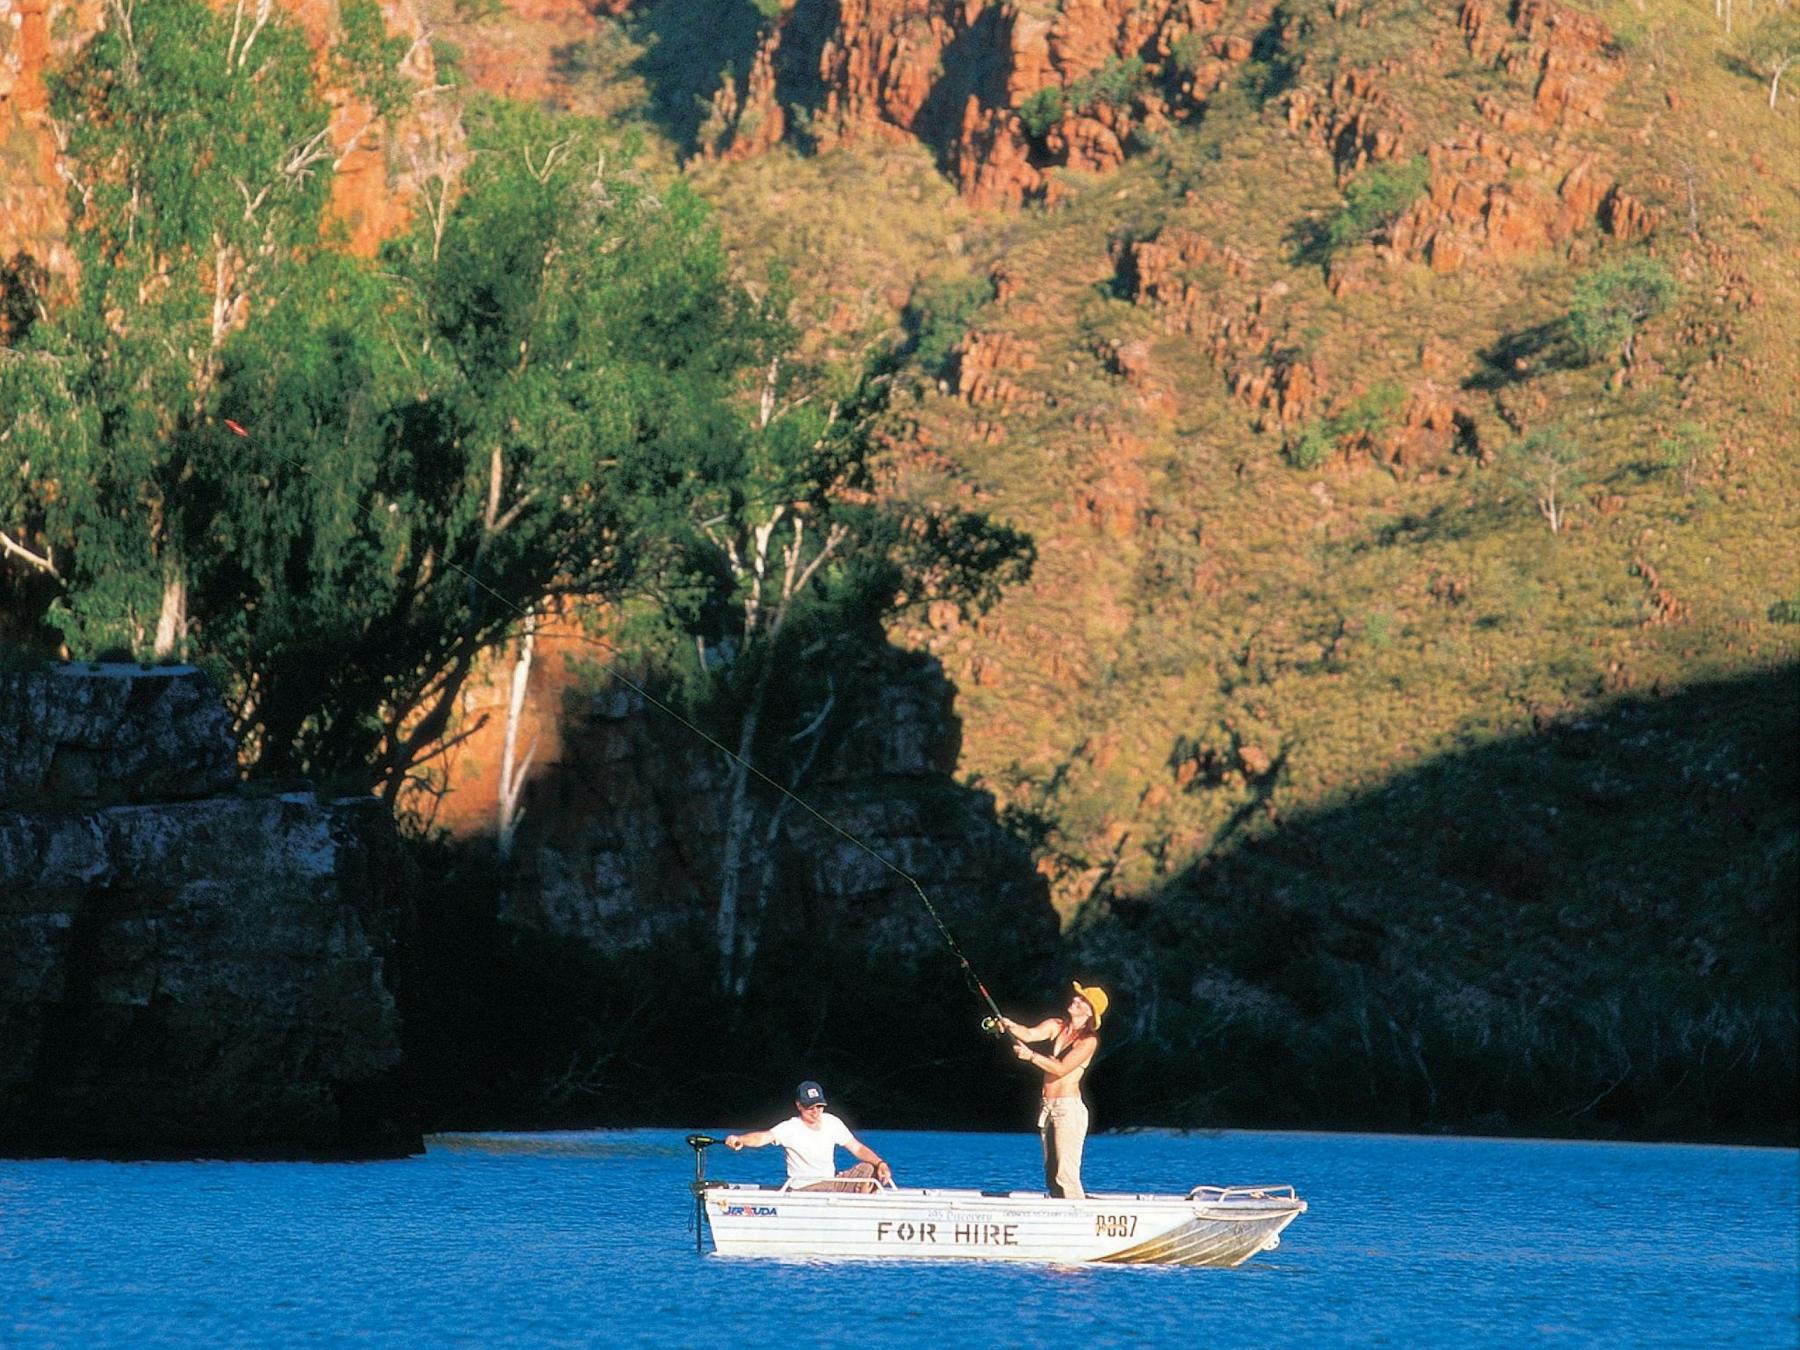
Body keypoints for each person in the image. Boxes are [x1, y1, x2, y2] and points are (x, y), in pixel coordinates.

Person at [993, 981, 1108, 1200]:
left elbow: (1062, 1069)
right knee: (1052, 1175)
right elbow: (1028, 1033)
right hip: (1047, 1107)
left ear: (1089, 1012)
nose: (1075, 999)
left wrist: (1032, 1057)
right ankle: (1059, 1218)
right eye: (1077, 997)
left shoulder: (1088, 1041)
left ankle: (1077, 1218)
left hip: (1068, 1110)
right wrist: (1007, 1025)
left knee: (1066, 1175)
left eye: (1082, 1000)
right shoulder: (1056, 1025)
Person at [725, 1081, 894, 1192]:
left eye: (819, 1107)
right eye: (810, 1108)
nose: (815, 1112)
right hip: (806, 1187)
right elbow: (762, 1137)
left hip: (831, 1183)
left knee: (869, 1169)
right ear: (799, 1106)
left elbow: (857, 1147)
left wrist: (880, 1163)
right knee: (825, 1189)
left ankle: (860, 1215)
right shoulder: (790, 1127)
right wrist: (741, 1140)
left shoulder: (832, 1122)